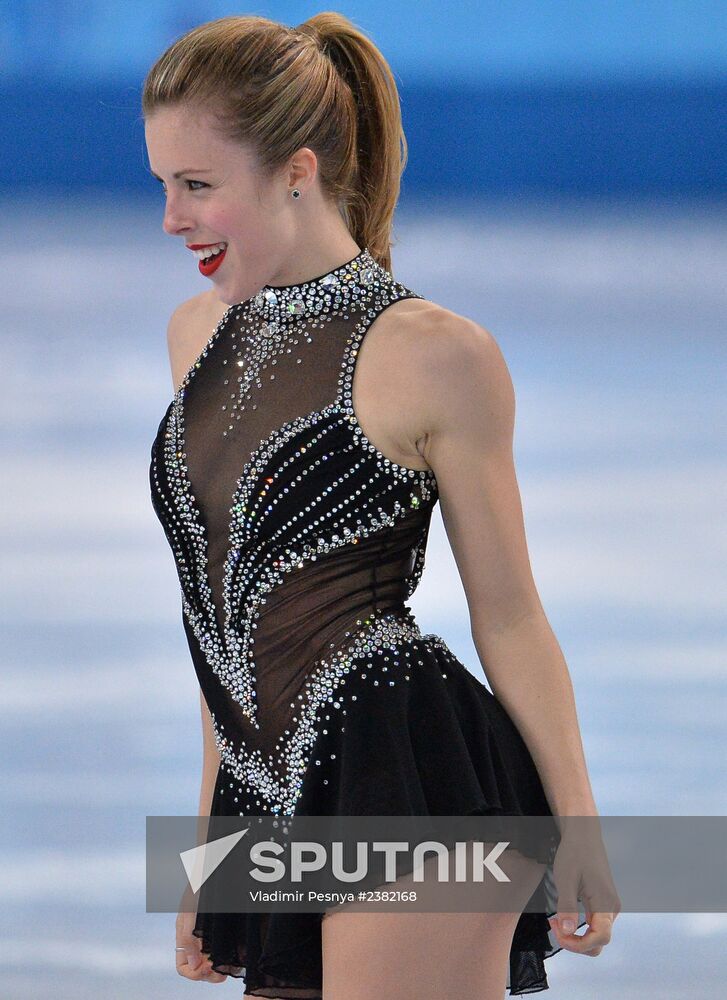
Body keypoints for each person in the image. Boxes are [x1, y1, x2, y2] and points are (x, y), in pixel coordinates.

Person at [142, 12, 617, 999]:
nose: (171, 218)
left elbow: (513, 615)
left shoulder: (434, 353)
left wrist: (579, 829)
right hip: (268, 794)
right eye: (163, 186)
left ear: (295, 171)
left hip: (408, 773)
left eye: (197, 186)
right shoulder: (194, 337)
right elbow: (222, 615)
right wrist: (211, 848)